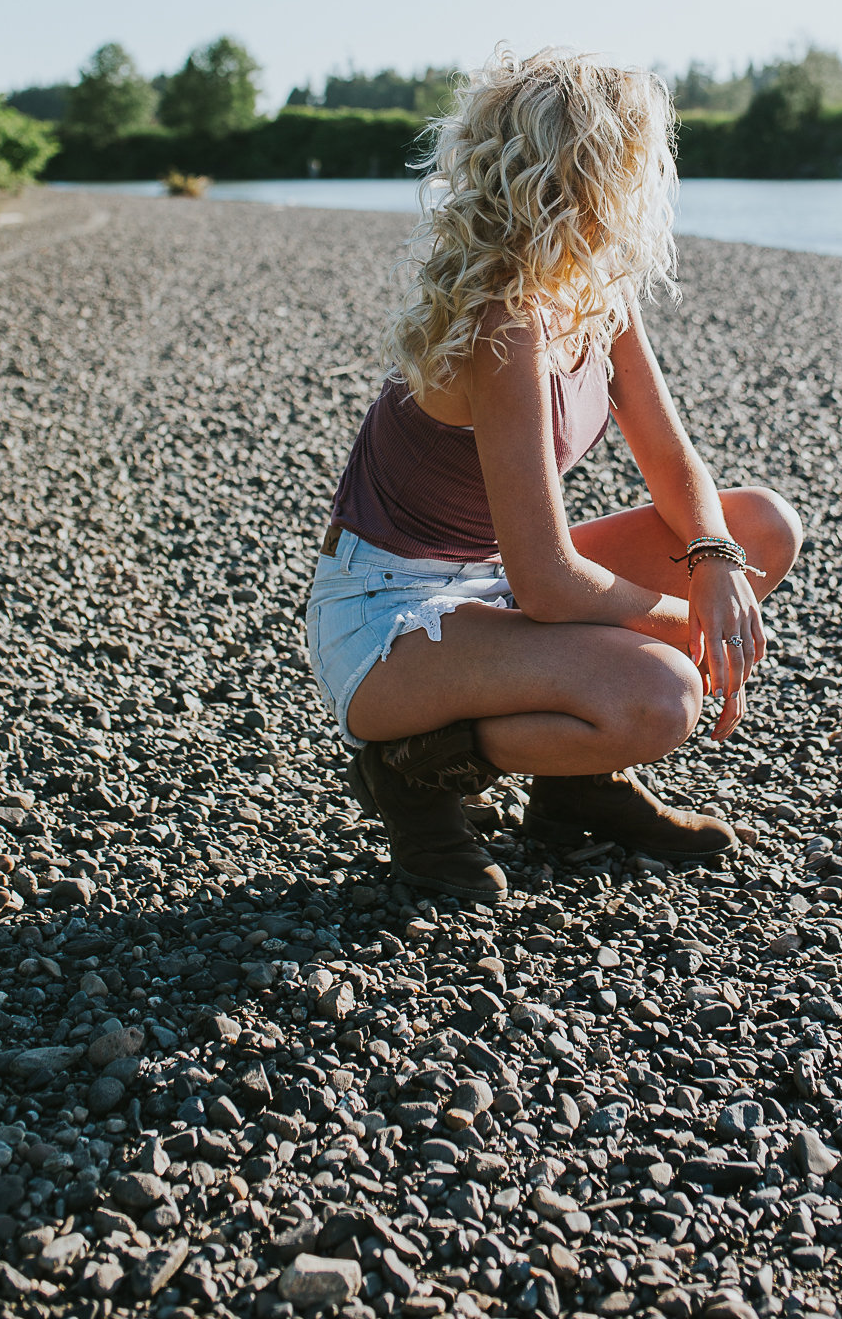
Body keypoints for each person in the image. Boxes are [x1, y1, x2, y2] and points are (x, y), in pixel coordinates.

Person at [306, 48, 802, 903]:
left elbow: (670, 458)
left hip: (493, 578)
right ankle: (410, 776)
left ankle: (576, 787)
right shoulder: (503, 321)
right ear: (593, 171)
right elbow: (546, 584)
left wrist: (717, 564)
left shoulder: (592, 289)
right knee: (662, 697)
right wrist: (690, 625)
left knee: (757, 526)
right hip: (390, 613)